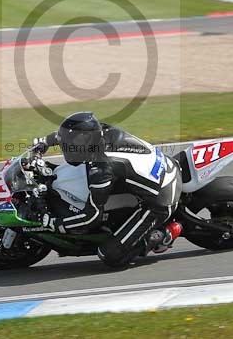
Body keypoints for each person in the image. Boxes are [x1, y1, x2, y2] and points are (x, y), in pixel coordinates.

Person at [32, 112, 182, 267]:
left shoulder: (103, 168)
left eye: (71, 143)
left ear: (87, 142)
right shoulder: (101, 131)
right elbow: (72, 134)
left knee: (110, 255)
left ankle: (163, 235)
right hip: (163, 167)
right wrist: (44, 142)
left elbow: (91, 217)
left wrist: (56, 223)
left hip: (161, 198)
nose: (67, 147)